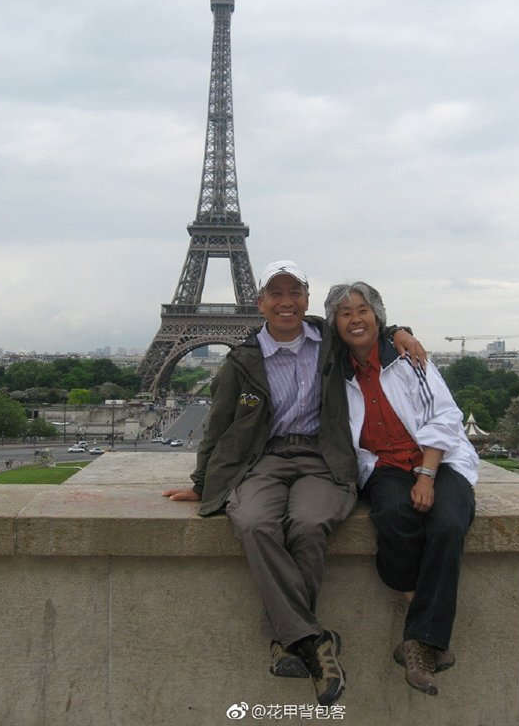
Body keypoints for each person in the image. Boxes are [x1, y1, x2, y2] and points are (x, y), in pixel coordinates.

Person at [162, 261, 426, 705]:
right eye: (276, 294)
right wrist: (204, 481)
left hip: (323, 456)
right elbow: (219, 424)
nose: (286, 303)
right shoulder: (242, 360)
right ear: (260, 302)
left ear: (306, 298)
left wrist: (400, 331)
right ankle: (313, 640)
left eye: (295, 293)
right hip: (264, 458)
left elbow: (364, 327)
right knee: (250, 520)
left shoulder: (328, 342)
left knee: (309, 522)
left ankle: (291, 642)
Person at [323, 281, 478, 696]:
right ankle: (427, 634)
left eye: (363, 310)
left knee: (447, 523)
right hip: (384, 466)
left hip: (437, 457)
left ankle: (418, 642)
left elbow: (444, 417)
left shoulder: (408, 359)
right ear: (334, 325)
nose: (355, 319)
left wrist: (427, 475)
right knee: (392, 517)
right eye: (345, 313)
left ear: (378, 316)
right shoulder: (332, 368)